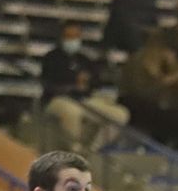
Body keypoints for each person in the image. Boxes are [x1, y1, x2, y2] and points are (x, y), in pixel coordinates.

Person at [42, 22, 128, 153]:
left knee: (120, 114)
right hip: (59, 99)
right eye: (69, 37)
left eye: (76, 37)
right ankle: (74, 150)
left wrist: (87, 81)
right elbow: (49, 81)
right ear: (62, 38)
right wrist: (73, 81)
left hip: (84, 100)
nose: (72, 40)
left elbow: (96, 81)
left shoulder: (84, 59)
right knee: (72, 112)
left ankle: (93, 149)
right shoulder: (51, 58)